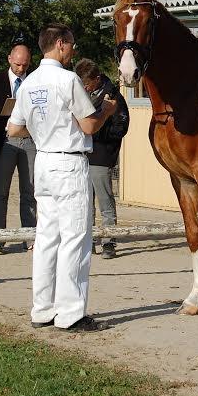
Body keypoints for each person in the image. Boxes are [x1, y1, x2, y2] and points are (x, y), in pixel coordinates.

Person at [7, 24, 116, 332]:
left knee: (46, 238)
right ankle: (71, 313)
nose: (73, 50)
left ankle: (42, 309)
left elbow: (14, 128)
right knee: (75, 238)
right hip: (68, 161)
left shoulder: (29, 82)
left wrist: (44, 129)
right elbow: (89, 125)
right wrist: (106, 110)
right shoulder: (67, 79)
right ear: (60, 44)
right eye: (71, 44)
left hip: (43, 160)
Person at [0, 40, 36, 254]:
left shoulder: (35, 80)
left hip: (30, 139)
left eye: (25, 65)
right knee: (1, 191)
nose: (21, 68)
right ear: (9, 59)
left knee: (30, 191)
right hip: (5, 140)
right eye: (17, 64)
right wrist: (4, 109)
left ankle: (29, 238)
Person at [73, 58, 129, 259]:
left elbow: (121, 127)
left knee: (105, 202)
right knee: (85, 203)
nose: (85, 88)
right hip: (83, 155)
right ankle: (88, 240)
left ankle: (109, 242)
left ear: (97, 79)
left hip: (102, 155)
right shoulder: (81, 94)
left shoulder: (113, 96)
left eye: (87, 84)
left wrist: (98, 134)